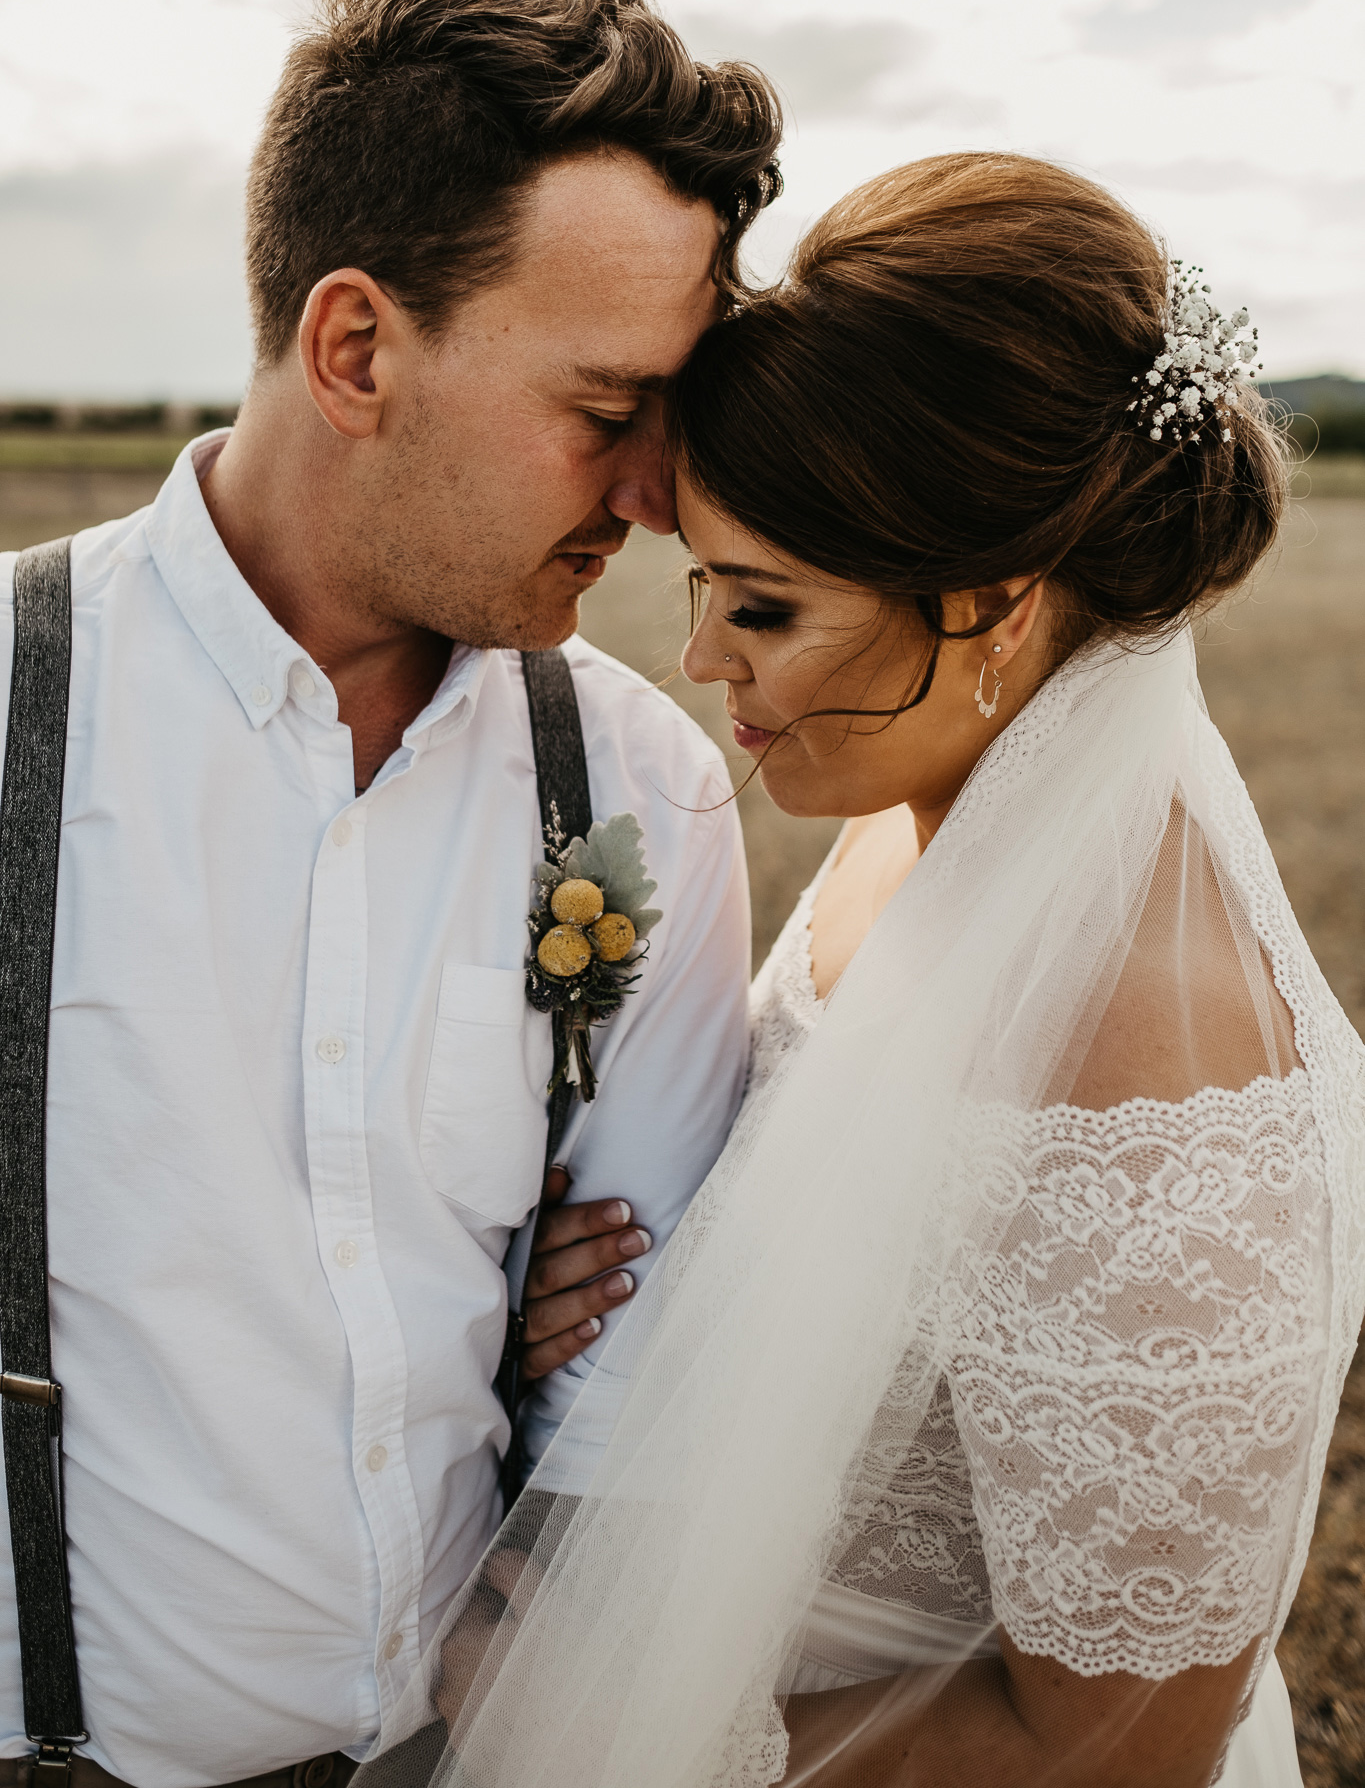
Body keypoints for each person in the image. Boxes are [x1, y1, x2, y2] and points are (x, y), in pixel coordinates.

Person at [379, 154, 1365, 1788]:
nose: (698, 660)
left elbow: (1119, 1748)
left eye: (759, 606)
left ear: (987, 607)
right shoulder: (941, 817)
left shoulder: (1152, 1073)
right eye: (702, 585)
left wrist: (612, 1736)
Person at [0, 0, 784, 1788]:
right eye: (605, 411)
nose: (655, 497)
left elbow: (623, 1387)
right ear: (356, 347)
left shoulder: (641, 792)